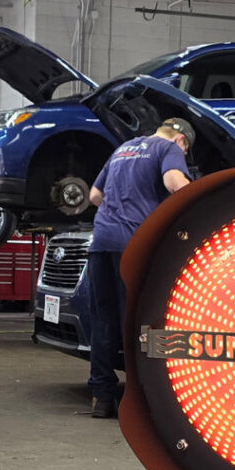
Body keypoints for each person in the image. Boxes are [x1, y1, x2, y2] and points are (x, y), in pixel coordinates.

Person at [86, 117, 194, 418]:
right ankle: (137, 399)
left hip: (101, 242)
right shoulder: (168, 148)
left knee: (103, 321)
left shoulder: (123, 148)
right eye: (185, 153)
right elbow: (175, 183)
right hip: (133, 246)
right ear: (181, 141)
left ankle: (102, 396)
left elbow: (95, 196)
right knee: (134, 322)